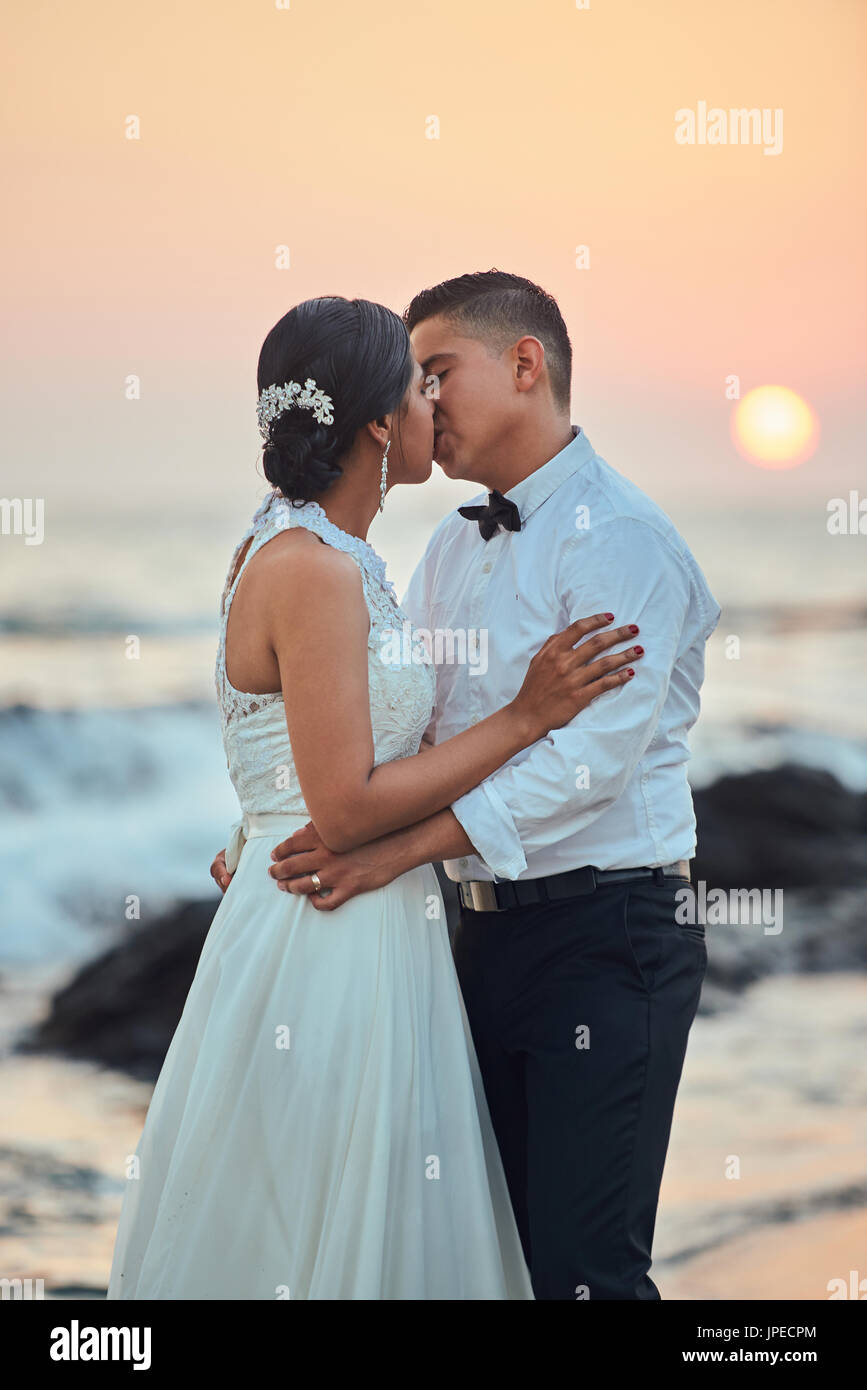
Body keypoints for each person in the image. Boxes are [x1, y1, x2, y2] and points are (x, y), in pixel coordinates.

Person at [106, 293, 643, 1300]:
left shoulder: (328, 553)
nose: (434, 396)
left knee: (354, 1219)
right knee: (321, 1221)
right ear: (377, 424)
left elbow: (305, 751)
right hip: (332, 925)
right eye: (417, 379)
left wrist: (261, 815)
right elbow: (347, 804)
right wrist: (528, 714)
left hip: (360, 911)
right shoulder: (313, 568)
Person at [258, 271, 722, 1300]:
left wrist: (389, 851)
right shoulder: (448, 550)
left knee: (585, 1272)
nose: (424, 402)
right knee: (489, 1256)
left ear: (526, 364)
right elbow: (397, 736)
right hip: (473, 933)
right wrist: (275, 830)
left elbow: (584, 769)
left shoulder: (626, 543)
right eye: (414, 381)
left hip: (610, 933)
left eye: (439, 373)